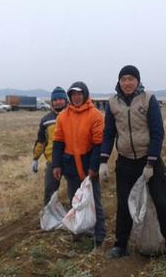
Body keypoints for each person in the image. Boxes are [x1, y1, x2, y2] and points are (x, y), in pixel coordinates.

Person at [99, 65, 166, 258]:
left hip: (148, 161)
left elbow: (157, 132)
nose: (127, 83)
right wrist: (103, 160)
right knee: (123, 204)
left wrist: (151, 164)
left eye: (131, 79)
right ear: (119, 82)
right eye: (123, 79)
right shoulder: (112, 103)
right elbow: (108, 133)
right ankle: (120, 245)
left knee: (161, 202)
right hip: (125, 162)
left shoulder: (148, 99)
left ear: (138, 81)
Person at [52, 81, 106, 251]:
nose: (76, 97)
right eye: (73, 94)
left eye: (79, 94)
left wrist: (93, 167)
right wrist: (56, 165)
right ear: (70, 97)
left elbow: (98, 144)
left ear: (85, 95)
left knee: (94, 201)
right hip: (70, 166)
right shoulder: (63, 116)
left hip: (88, 163)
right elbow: (58, 142)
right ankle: (78, 232)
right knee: (74, 201)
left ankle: (99, 236)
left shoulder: (95, 115)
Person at [32, 87, 69, 205]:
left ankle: (77, 218)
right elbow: (41, 140)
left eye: (61, 99)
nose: (58, 101)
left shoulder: (73, 115)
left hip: (72, 160)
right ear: (52, 102)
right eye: (55, 99)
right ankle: (49, 218)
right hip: (53, 162)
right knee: (50, 192)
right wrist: (35, 158)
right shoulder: (46, 120)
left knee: (77, 191)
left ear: (66, 100)